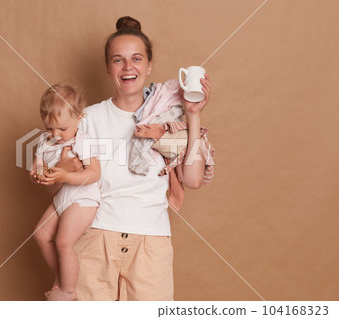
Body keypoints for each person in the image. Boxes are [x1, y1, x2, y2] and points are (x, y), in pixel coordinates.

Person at [35, 16, 212, 301]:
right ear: (108, 68)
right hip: (93, 242)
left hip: (151, 245)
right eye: (118, 60)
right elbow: (57, 187)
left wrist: (193, 113)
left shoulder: (168, 119)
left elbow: (191, 180)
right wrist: (57, 170)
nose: (128, 67)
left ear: (149, 65)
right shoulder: (86, 118)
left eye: (136, 59)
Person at [30, 84, 101, 301]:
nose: (56, 135)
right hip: (61, 198)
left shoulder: (82, 140)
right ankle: (62, 278)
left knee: (63, 242)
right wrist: (38, 174)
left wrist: (64, 176)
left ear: (79, 119)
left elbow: (94, 173)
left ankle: (68, 291)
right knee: (41, 235)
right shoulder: (44, 140)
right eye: (50, 128)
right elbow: (39, 169)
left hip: (83, 198)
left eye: (62, 129)